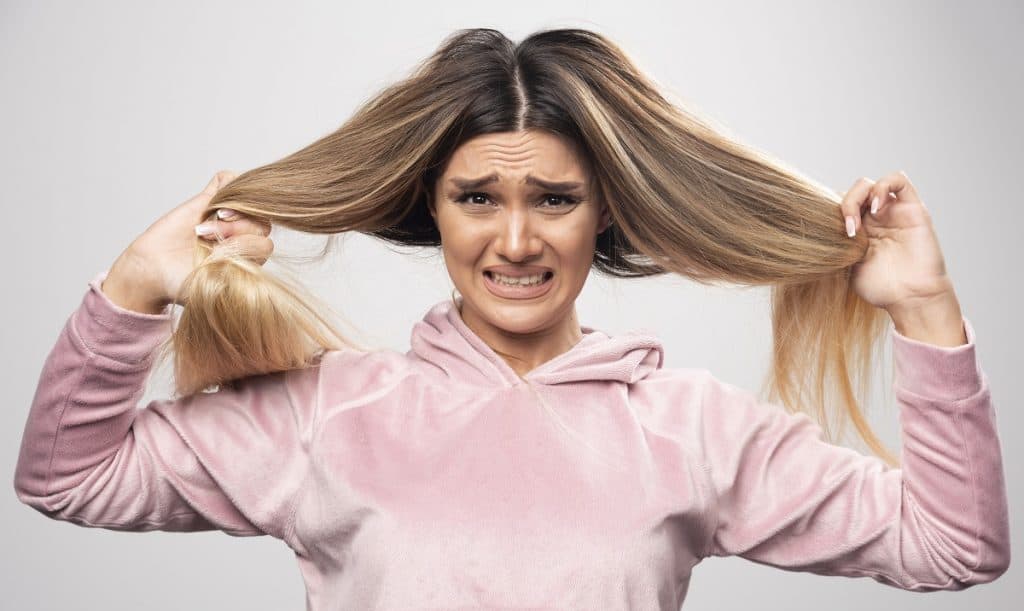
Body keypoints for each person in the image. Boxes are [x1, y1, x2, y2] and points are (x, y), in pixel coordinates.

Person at [13, 27, 1009, 610]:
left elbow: (954, 544)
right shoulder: (324, 413)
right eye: (478, 198)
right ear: (431, 207)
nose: (518, 241)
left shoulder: (694, 428)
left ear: (604, 209)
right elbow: (66, 474)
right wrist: (136, 284)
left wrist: (924, 308)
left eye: (557, 200)